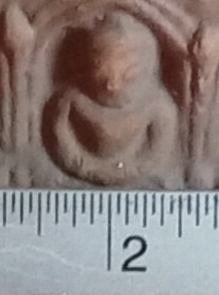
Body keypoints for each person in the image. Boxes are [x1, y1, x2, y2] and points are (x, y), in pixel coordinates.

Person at [44, 12, 178, 186]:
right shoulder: (71, 100)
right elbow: (59, 136)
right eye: (99, 68)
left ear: (146, 68)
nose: (112, 85)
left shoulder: (157, 106)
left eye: (128, 74)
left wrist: (125, 170)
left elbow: (154, 153)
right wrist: (84, 165)